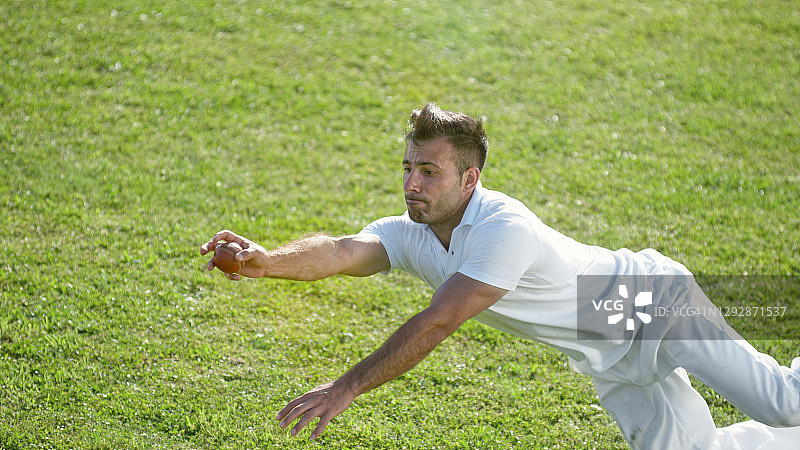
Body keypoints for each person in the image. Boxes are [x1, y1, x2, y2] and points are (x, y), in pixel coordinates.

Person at [200, 103, 800, 449]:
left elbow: (439, 320)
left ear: (470, 179)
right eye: (408, 168)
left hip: (642, 304)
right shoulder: (413, 230)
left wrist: (347, 386)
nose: (412, 184)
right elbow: (343, 251)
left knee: (782, 402)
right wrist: (265, 261)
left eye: (429, 171)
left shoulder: (501, 228)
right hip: (603, 349)